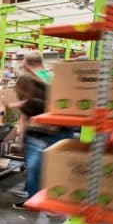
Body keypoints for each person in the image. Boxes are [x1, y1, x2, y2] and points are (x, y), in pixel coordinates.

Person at [8, 51, 73, 209]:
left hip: (40, 130)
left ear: (26, 63)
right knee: (55, 168)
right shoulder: (52, 76)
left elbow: (26, 107)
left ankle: (33, 202)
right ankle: (57, 200)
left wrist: (19, 132)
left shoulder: (28, 79)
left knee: (34, 168)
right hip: (62, 129)